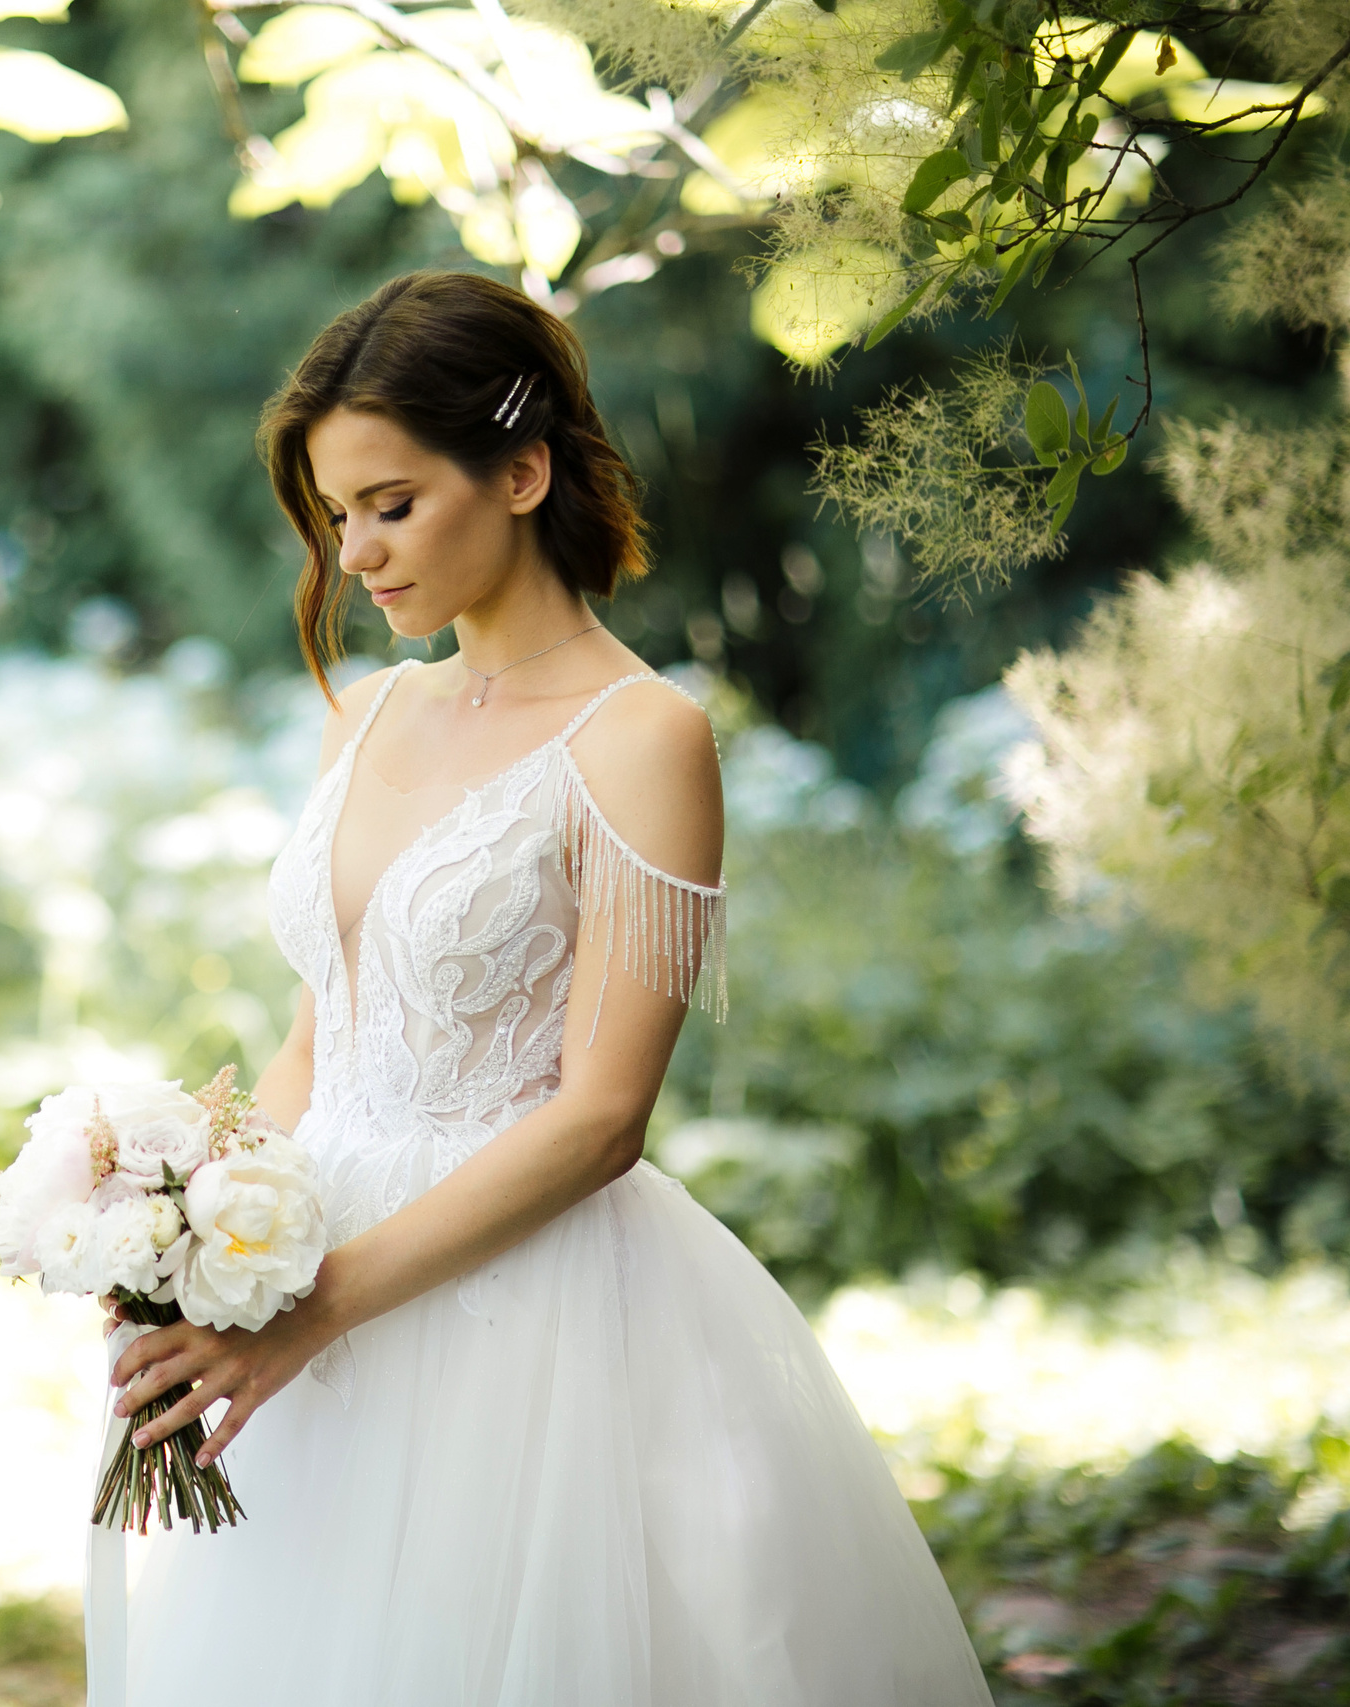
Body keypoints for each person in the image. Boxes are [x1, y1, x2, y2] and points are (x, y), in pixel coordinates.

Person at [91, 272, 992, 1706]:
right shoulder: (372, 708)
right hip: (307, 1285)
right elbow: (320, 1035)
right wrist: (204, 1242)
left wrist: (323, 1302)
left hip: (523, 1311)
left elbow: (601, 1117)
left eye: (391, 503)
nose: (358, 553)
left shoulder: (644, 736)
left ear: (520, 472)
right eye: (337, 516)